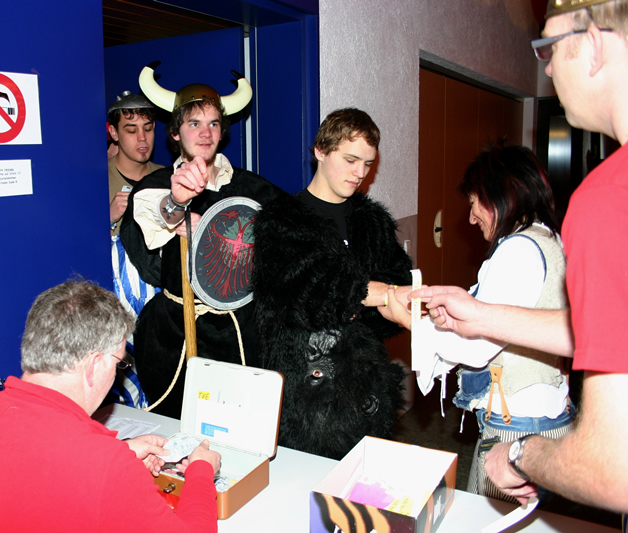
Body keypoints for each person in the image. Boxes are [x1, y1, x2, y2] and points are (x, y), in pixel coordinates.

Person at [409, 0, 628, 520]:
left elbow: (615, 468)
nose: (547, 69)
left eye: (548, 48)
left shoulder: (610, 198)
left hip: (523, 426)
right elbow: (607, 329)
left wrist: (517, 455)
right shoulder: (551, 235)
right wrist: (479, 314)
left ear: (594, 45)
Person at [0, 280, 221, 532]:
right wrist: (201, 472)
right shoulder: (104, 466)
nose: (117, 374)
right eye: (118, 363)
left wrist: (120, 452)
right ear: (94, 365)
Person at [387, 143, 572, 502]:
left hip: (517, 427)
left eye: (473, 204)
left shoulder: (516, 251)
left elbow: (477, 346)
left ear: (498, 196)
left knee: (486, 516)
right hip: (549, 416)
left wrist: (411, 323)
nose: (471, 218)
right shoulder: (549, 238)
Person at [119, 63, 284, 418]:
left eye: (213, 123)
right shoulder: (154, 186)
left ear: (223, 131)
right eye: (194, 123)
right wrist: (176, 203)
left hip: (242, 330)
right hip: (175, 333)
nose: (205, 133)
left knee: (241, 423)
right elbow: (155, 215)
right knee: (177, 425)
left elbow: (292, 239)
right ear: (175, 133)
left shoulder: (253, 188)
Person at [251, 108, 411, 460]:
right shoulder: (282, 222)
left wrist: (385, 303)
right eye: (350, 160)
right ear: (320, 151)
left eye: (367, 164)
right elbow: (301, 295)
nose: (360, 173)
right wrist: (374, 294)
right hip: (308, 399)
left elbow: (397, 278)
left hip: (366, 386)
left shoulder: (372, 222)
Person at [106, 91, 164, 409]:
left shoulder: (169, 179)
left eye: (148, 128)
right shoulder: (94, 179)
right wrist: (107, 218)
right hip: (116, 313)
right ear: (113, 133)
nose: (142, 139)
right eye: (131, 130)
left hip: (160, 309)